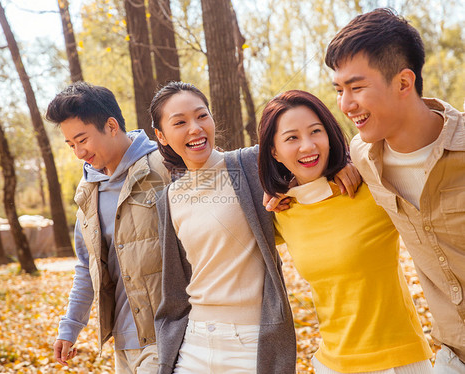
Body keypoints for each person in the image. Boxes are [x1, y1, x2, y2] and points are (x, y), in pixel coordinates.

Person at [149, 81, 361, 374]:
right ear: (161, 135)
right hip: (193, 343)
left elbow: (307, 152)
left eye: (201, 116)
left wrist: (343, 163)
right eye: (180, 122)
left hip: (250, 343)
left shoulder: (250, 165)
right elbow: (175, 285)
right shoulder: (169, 198)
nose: (195, 128)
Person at [325, 8, 465, 373]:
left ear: (404, 83)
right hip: (453, 355)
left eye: (356, 87)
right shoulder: (363, 156)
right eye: (339, 90)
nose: (345, 104)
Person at [258, 89, 433, 373]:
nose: (308, 146)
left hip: (400, 359)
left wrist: (355, 160)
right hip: (332, 364)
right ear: (274, 152)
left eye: (316, 131)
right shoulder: (282, 212)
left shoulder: (369, 186)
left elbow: (410, 134)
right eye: (292, 138)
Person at [45, 82, 171, 373]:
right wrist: (70, 326)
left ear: (112, 126)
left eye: (82, 139)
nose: (78, 152)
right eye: (71, 144)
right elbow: (87, 265)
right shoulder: (89, 191)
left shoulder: (164, 166)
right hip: (122, 340)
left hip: (167, 334)